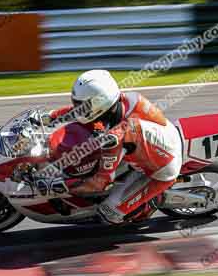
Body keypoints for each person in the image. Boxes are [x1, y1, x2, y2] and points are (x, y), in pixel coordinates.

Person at [35, 70, 184, 224]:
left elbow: (99, 183)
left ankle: (149, 203)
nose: (77, 108)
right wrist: (50, 116)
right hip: (157, 140)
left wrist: (60, 186)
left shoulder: (116, 138)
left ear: (100, 102)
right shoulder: (126, 99)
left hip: (159, 171)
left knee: (108, 213)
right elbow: (85, 112)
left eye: (81, 105)